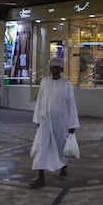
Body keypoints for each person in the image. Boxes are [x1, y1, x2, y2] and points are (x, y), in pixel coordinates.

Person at [29, 57, 79, 188]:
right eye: (53, 68)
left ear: (61, 70)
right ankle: (41, 178)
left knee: (60, 144)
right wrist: (38, 118)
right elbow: (40, 101)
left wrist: (72, 124)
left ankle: (64, 165)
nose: (55, 71)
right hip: (45, 121)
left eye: (58, 68)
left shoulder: (66, 85)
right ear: (50, 69)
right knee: (41, 147)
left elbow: (71, 105)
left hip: (61, 122)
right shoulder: (44, 82)